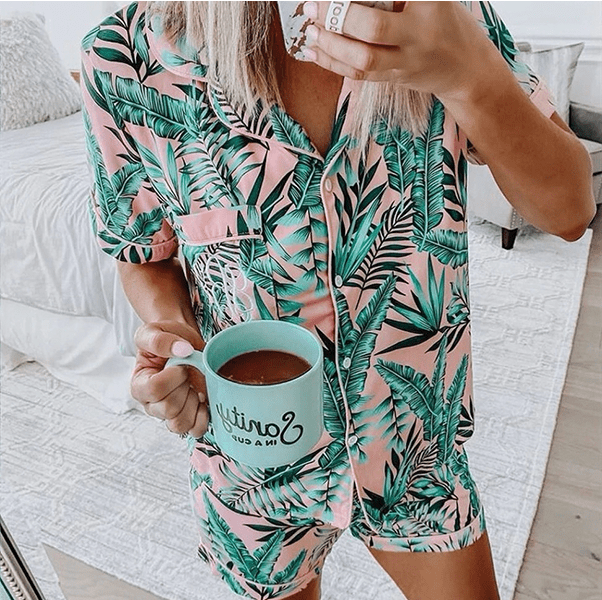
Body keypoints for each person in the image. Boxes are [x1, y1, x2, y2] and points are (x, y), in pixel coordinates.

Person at [80, 2, 595, 599]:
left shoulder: (437, 13)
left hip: (414, 449)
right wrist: (169, 329)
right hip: (251, 462)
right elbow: (145, 253)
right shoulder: (124, 57)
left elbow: (570, 210)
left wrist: (468, 74)